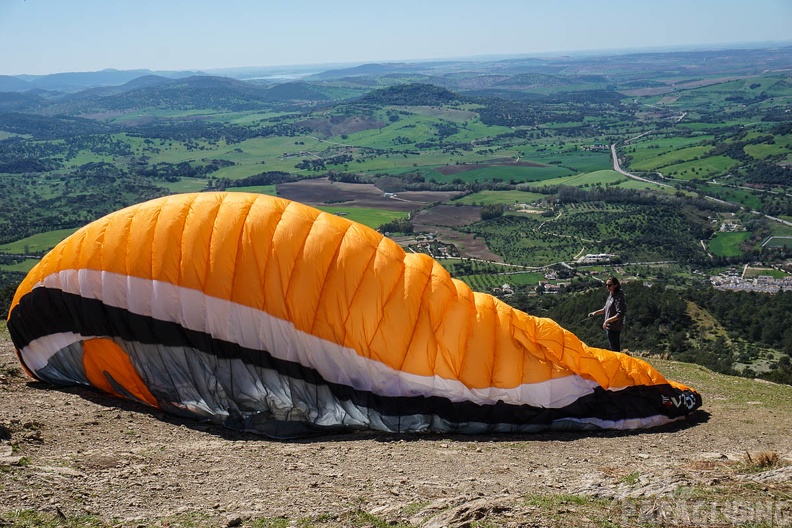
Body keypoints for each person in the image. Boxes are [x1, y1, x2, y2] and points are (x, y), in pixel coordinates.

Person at [588, 277, 627, 352]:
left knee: (615, 349)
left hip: (614, 327)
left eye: (609, 285)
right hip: (609, 327)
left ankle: (617, 363)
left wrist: (607, 321)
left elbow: (620, 314)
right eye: (606, 285)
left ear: (615, 285)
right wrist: (595, 313)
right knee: (612, 348)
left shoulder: (619, 298)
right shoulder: (611, 295)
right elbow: (606, 309)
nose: (607, 287)